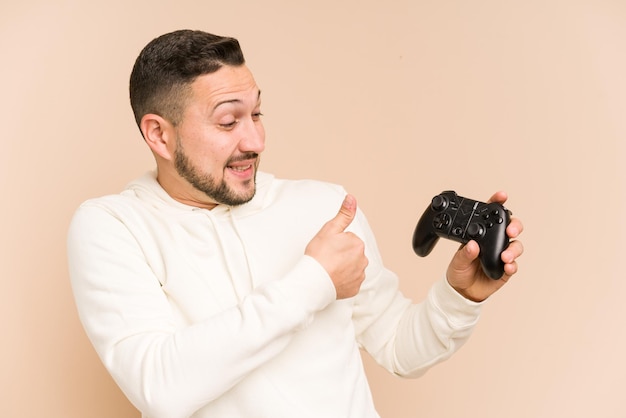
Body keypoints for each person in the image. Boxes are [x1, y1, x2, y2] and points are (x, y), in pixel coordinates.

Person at [67, 29, 524, 418]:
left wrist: (459, 298)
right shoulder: (112, 226)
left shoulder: (323, 206)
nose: (256, 140)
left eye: (257, 113)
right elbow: (160, 386)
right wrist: (314, 281)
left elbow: (401, 348)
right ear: (159, 134)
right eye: (228, 122)